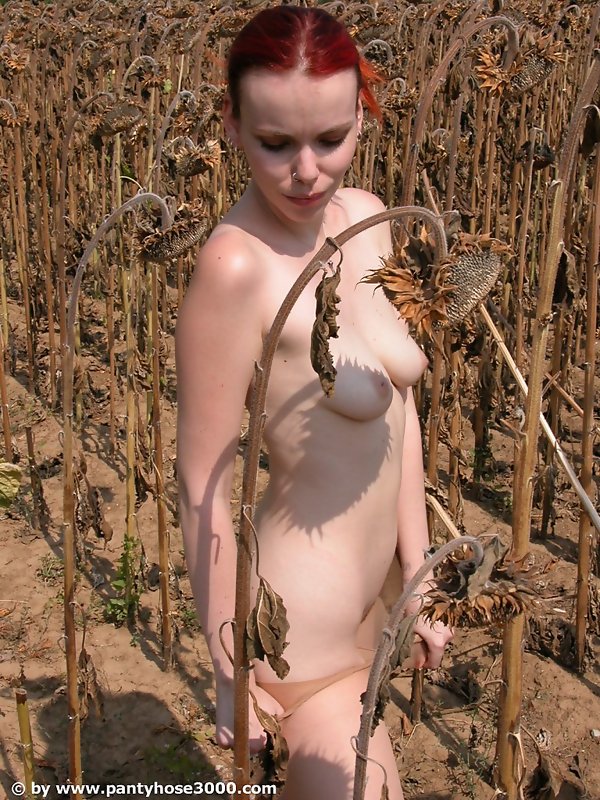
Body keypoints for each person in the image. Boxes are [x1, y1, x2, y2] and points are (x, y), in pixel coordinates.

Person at [175, 6, 452, 799]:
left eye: (331, 138)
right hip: (300, 640)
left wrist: (419, 570)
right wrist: (228, 665)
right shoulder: (235, 268)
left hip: (375, 614)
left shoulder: (367, 217)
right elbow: (202, 481)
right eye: (275, 143)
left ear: (362, 113)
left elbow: (398, 412)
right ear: (232, 125)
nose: (307, 171)